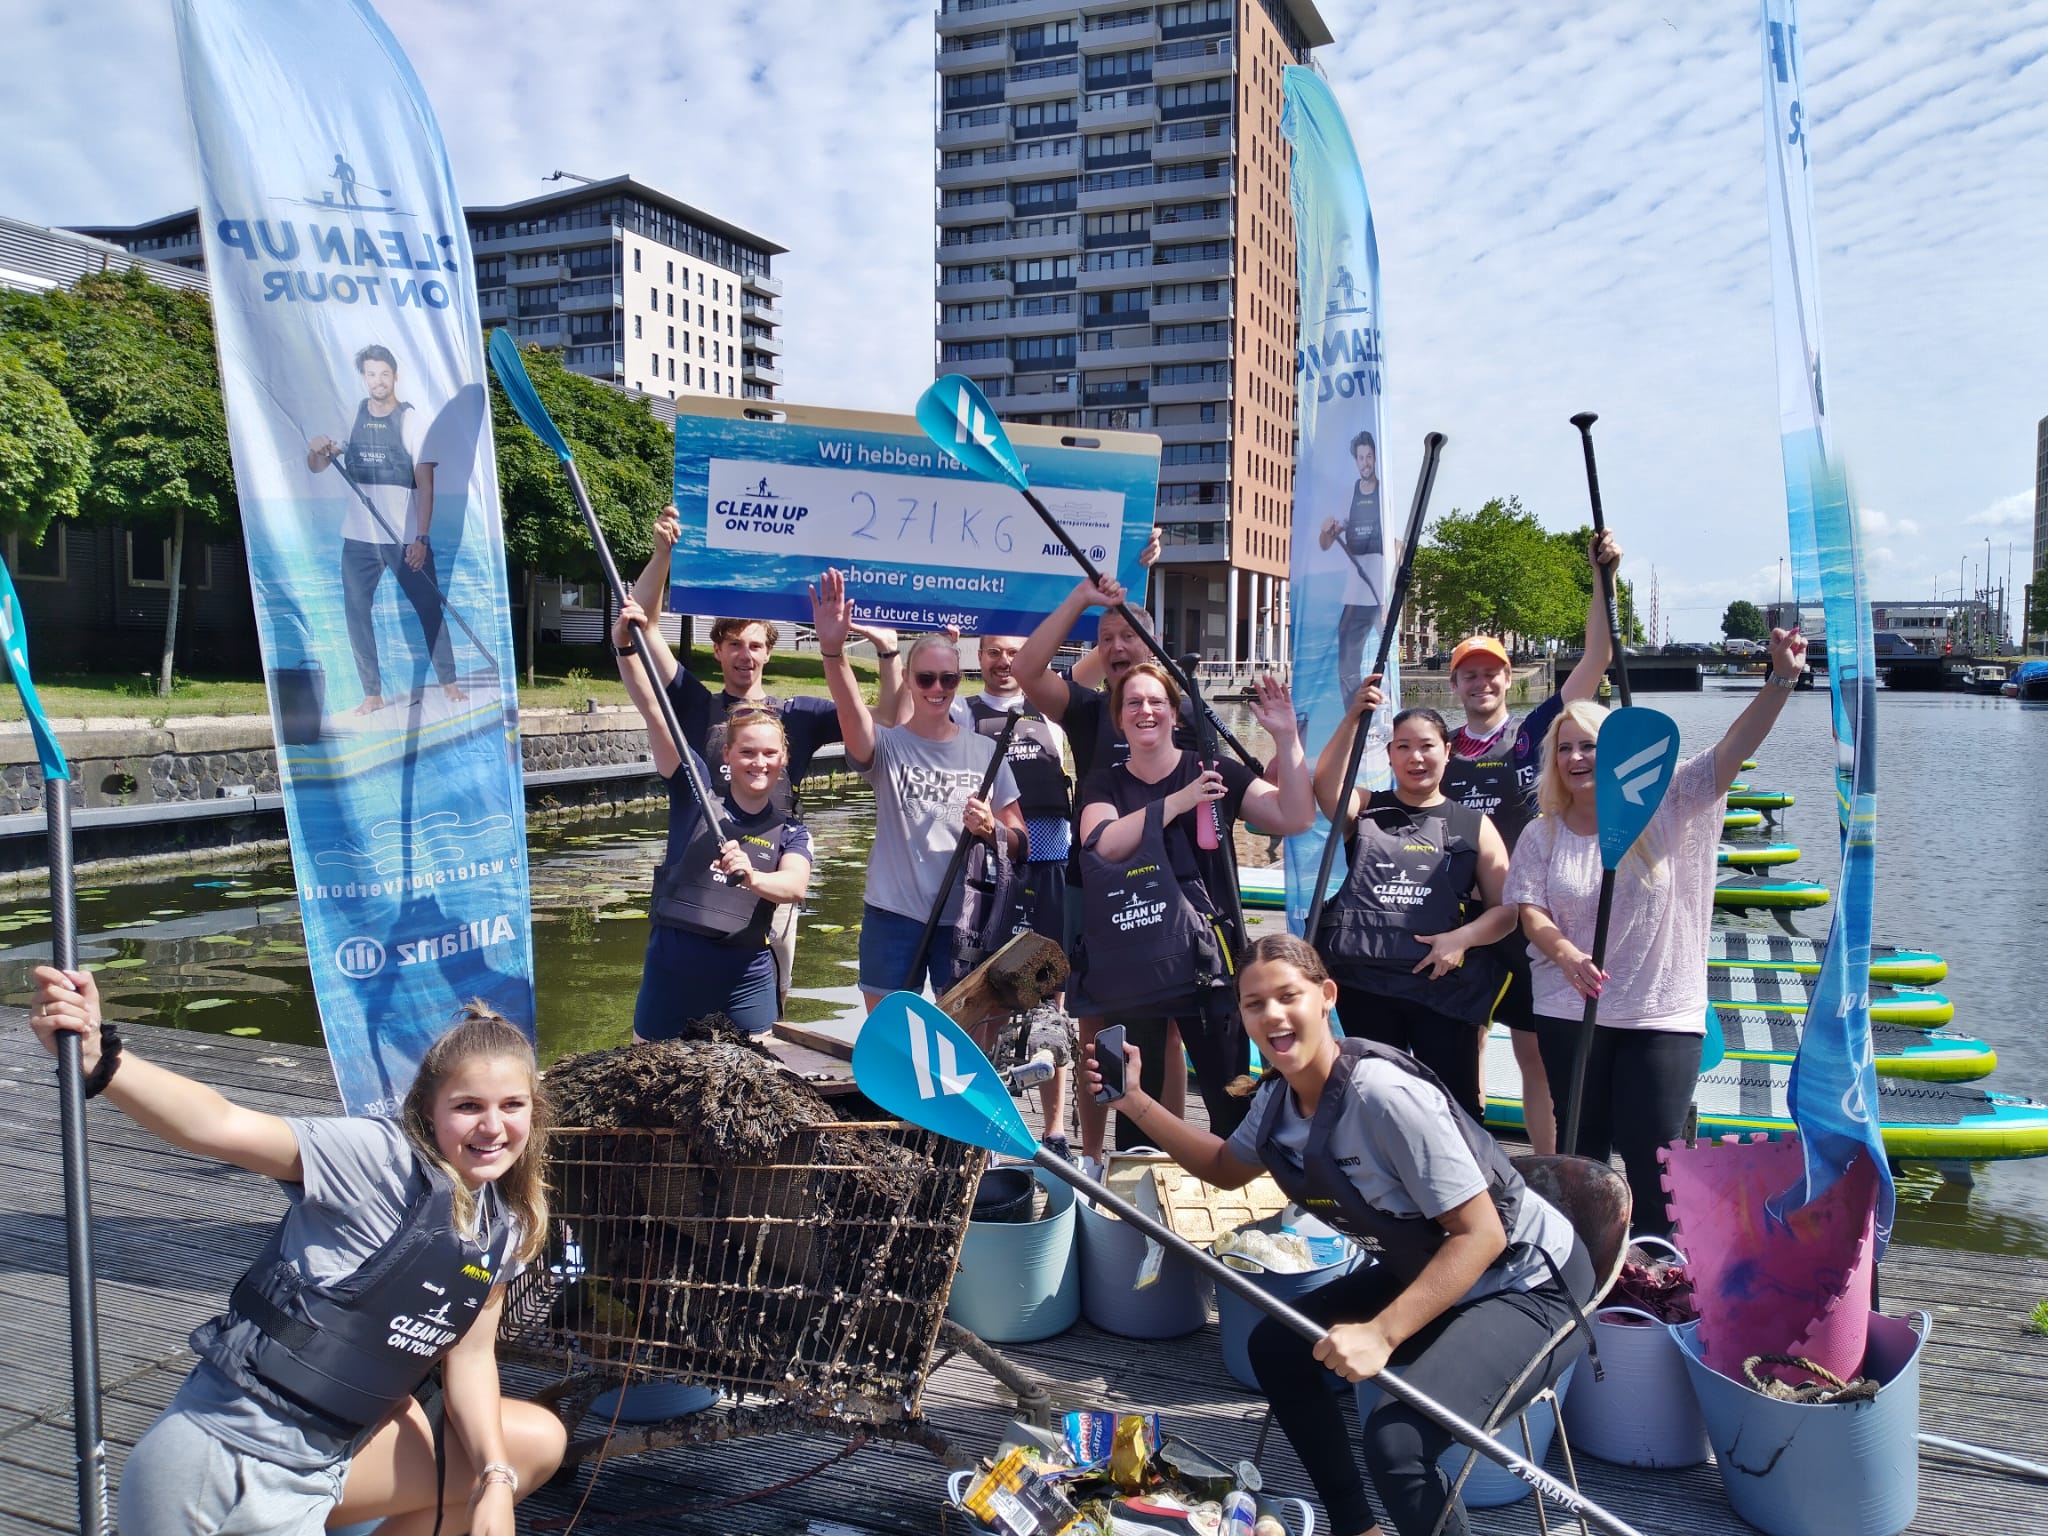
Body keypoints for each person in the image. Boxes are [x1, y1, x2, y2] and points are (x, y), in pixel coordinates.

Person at [26, 967, 565, 1536]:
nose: (492, 1126)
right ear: (429, 1110)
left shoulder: (506, 1228)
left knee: (532, 1442)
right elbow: (220, 1125)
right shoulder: (377, 1160)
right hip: (219, 1457)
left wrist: (495, 1481)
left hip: (318, 1478)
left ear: (534, 1111)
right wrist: (100, 1060)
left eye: (512, 1105)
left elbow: (473, 1357)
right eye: (467, 1106)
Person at [1085, 934, 1594, 1536]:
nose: (1272, 1015)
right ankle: (1359, 1528)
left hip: (1526, 1281)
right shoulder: (1278, 1102)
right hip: (1432, 1265)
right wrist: (1136, 1100)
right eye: (1254, 1004)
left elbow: (1480, 1234)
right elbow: (1225, 1169)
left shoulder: (1384, 1096)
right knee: (1277, 1347)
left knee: (1396, 1442)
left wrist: (1382, 1332)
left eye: (1288, 996)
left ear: (1326, 996)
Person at [1506, 626, 1810, 1235]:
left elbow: (1730, 751)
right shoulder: (1543, 833)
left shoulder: (1667, 803)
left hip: (1659, 1014)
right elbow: (1529, 911)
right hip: (1572, 1007)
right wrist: (1564, 953)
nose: (1575, 759)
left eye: (1588, 746)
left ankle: (1662, 1281)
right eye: (1564, 749)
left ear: (1614, 753)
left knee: (1653, 1161)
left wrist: (1780, 680)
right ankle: (1587, 1276)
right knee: (1581, 1157)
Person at [626, 505, 902, 1006]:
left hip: (770, 872)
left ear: (769, 652)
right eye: (734, 644)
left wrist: (888, 654)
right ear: (717, 649)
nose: (744, 655)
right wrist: (662, 554)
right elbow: (638, 628)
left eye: (755, 645)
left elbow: (886, 718)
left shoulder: (799, 713)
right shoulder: (692, 700)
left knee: (764, 1004)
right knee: (678, 1010)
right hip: (696, 876)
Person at [1438, 530, 1623, 1154]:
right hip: (1465, 916)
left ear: (1507, 679)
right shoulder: (1436, 749)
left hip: (1528, 919)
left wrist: (1603, 578)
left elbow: (1596, 656)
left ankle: (1551, 1170)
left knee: (1534, 1057)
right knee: (1461, 1049)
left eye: (1491, 673)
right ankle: (1470, 1164)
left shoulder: (1534, 736)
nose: (1481, 683)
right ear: (1454, 684)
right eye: (1469, 675)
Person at [1073, 663, 1311, 1141]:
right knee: (1134, 1105)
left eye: (1156, 701)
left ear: (1175, 713)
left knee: (1231, 1101)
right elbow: (1101, 843)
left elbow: (1296, 816)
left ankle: (1234, 1193)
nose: (1146, 711)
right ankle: (1135, 1204)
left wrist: (1286, 739)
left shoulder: (1214, 771)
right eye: (1134, 703)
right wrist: (1177, 803)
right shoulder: (1104, 782)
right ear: (1119, 718)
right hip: (1133, 965)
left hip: (1211, 965)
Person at [1015, 574, 1194, 1165]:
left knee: (1167, 1026)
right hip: (1093, 887)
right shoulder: (1089, 710)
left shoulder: (1183, 709)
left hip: (1170, 888)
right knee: (1093, 1023)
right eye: (1108, 638)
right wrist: (1079, 600)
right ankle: (1093, 1153)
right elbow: (1026, 672)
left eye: (1130, 637)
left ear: (1154, 642)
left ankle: (1159, 1149)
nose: (1119, 648)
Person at [809, 568, 1024, 1010]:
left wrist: (990, 830)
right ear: (907, 679)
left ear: (958, 682)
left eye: (947, 679)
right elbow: (851, 714)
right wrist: (833, 652)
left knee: (960, 1038)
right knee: (890, 1038)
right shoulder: (886, 746)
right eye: (926, 678)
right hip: (893, 915)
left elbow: (1019, 841)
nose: (937, 689)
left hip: (963, 918)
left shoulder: (986, 751)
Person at [612, 597, 814, 1040]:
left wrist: (751, 877)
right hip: (673, 970)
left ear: (784, 761)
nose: (757, 763)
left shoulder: (793, 830)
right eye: (746, 753)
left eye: (768, 755)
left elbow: (794, 886)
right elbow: (653, 709)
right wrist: (626, 647)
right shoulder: (694, 790)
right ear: (727, 755)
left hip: (746, 975)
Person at [1312, 698, 1518, 1124]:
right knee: (1373, 1101)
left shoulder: (1474, 824)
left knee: (1453, 1102)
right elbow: (1325, 786)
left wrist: (1461, 939)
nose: (1415, 757)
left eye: (1426, 746)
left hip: (1440, 986)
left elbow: (1506, 913)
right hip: (1366, 982)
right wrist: (1352, 717)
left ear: (1448, 751)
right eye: (1402, 747)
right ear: (1389, 755)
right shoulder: (1367, 806)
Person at [307, 344, 462, 715]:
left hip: (404, 539)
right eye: (370, 374)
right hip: (359, 538)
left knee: (429, 608)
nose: (377, 381)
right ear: (364, 377)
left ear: (395, 376)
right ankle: (372, 694)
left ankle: (449, 683)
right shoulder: (352, 415)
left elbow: (426, 484)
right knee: (357, 612)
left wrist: (421, 538)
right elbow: (317, 466)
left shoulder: (412, 421)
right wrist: (316, 449)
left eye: (384, 374)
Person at [1318, 430, 1384, 705]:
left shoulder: (1386, 495)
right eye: (1361, 457)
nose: (1366, 462)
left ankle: (1386, 718)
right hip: (1355, 595)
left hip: (1380, 595)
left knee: (1386, 661)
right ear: (1356, 461)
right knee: (1345, 666)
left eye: (1370, 456)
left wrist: (1390, 601)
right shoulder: (1349, 495)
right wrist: (1327, 530)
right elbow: (1324, 544)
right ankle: (1357, 721)